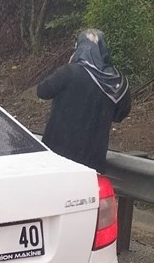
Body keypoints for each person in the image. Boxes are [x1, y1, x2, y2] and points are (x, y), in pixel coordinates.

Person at [36, 29, 131, 173]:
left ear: (79, 48)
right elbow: (120, 115)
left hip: (58, 158)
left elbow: (42, 91)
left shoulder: (69, 72)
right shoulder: (117, 81)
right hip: (93, 162)